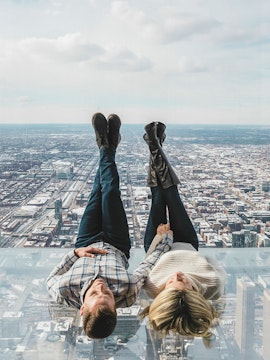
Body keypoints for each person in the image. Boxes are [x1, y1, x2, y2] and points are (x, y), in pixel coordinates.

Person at [46, 113, 173, 339]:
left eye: (96, 292)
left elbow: (51, 279)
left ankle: (108, 145)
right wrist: (166, 240)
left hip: (86, 241)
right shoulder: (129, 291)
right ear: (116, 307)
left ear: (83, 308)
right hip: (116, 242)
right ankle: (106, 146)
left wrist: (76, 254)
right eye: (109, 296)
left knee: (97, 190)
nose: (103, 287)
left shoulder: (63, 291)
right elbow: (148, 264)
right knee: (110, 191)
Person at [140, 121, 226, 338]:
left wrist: (161, 240)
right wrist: (192, 256)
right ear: (195, 295)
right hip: (187, 242)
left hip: (157, 241)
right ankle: (154, 144)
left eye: (170, 283)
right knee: (172, 195)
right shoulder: (213, 285)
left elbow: (148, 261)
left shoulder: (151, 288)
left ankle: (155, 143)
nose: (177, 275)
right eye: (184, 283)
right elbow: (210, 260)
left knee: (158, 197)